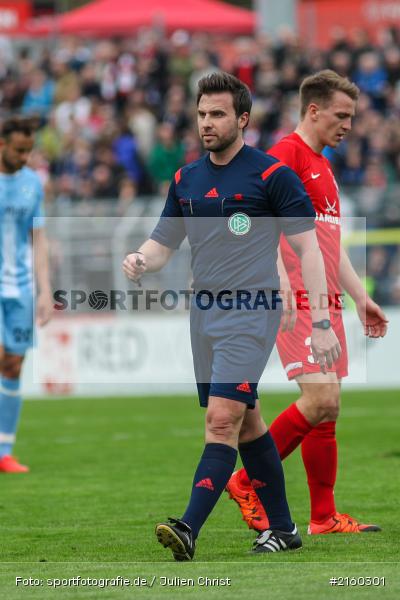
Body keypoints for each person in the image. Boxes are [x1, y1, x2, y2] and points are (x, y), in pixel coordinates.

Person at [123, 72, 341, 560]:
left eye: (217, 114)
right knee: (246, 424)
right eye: (202, 114)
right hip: (204, 315)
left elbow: (308, 251)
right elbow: (162, 245)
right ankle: (283, 529)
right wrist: (139, 259)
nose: (206, 123)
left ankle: (188, 527)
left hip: (252, 311)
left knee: (222, 421)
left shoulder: (271, 176)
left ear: (242, 119)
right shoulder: (186, 179)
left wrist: (322, 323)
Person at [226, 70, 388, 535]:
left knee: (329, 406)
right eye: (341, 115)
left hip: (327, 300)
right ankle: (245, 482)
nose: (349, 125)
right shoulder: (285, 156)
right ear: (313, 110)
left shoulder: (323, 166)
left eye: (352, 117)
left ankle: (322, 517)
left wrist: (362, 299)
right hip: (297, 299)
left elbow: (328, 245)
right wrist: (278, 283)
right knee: (319, 399)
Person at [0, 117, 53, 473]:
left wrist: (46, 289)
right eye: (19, 150)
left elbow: (38, 238)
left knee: (14, 364)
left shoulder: (32, 183)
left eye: (28, 150)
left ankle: (4, 450)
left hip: (19, 287)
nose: (24, 157)